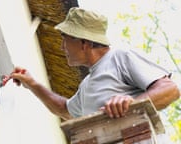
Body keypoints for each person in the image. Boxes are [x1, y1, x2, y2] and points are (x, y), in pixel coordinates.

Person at [10, 7, 180, 120]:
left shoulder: (120, 57)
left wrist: (131, 104)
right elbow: (63, 109)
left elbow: (170, 89)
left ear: (84, 43)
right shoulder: (86, 85)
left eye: (66, 40)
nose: (62, 47)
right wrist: (31, 83)